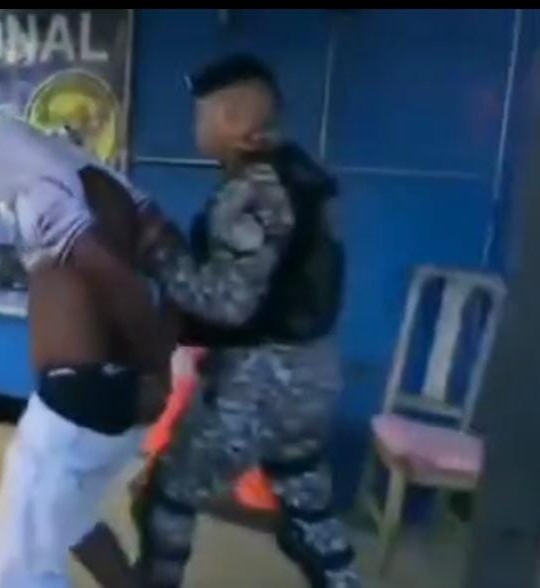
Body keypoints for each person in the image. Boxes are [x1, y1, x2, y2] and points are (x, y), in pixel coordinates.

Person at [131, 55, 358, 587]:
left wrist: (159, 250)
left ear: (232, 119)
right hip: (314, 375)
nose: (197, 128)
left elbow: (226, 305)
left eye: (202, 115)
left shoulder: (254, 189)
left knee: (167, 496)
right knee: (308, 509)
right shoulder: (307, 177)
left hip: (258, 384)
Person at [0, 117, 174, 588]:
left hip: (79, 400)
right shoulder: (114, 187)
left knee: (17, 569)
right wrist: (156, 369)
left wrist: (158, 368)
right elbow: (173, 268)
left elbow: (111, 275)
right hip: (112, 400)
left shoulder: (43, 186)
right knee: (72, 518)